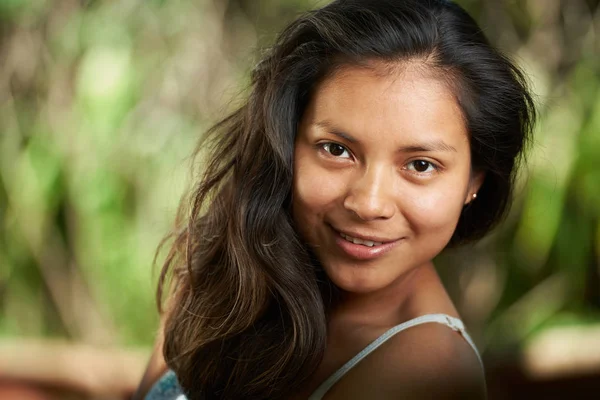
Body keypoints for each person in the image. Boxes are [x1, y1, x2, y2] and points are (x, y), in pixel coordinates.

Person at [135, 0, 536, 398]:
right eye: (337, 150)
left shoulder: (428, 372)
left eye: (420, 165)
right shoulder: (226, 259)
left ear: (473, 181)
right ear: (286, 142)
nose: (368, 203)